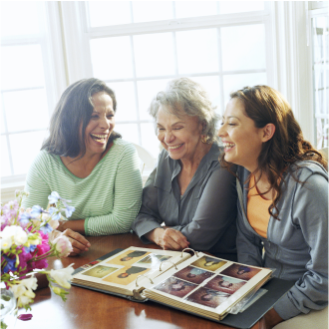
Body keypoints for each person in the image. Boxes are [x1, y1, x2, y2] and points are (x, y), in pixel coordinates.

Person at [218, 85, 329, 329]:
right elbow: (247, 241)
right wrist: (246, 292)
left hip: (312, 296)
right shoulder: (245, 175)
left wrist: (271, 315)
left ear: (266, 132)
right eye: (222, 122)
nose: (220, 132)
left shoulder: (310, 187)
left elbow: (325, 276)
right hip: (270, 289)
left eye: (232, 124)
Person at [23, 78, 143, 256]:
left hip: (121, 250)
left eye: (109, 115)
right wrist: (55, 236)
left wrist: (61, 225)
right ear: (70, 120)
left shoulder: (123, 154)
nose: (105, 125)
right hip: (70, 254)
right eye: (94, 116)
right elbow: (28, 222)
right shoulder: (45, 162)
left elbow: (123, 221)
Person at [132, 78, 237, 261]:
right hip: (176, 262)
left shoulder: (223, 163)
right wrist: (157, 234)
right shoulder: (167, 158)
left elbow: (200, 236)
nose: (167, 138)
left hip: (219, 268)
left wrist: (158, 231)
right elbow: (140, 214)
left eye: (177, 127)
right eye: (161, 128)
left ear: (202, 125)